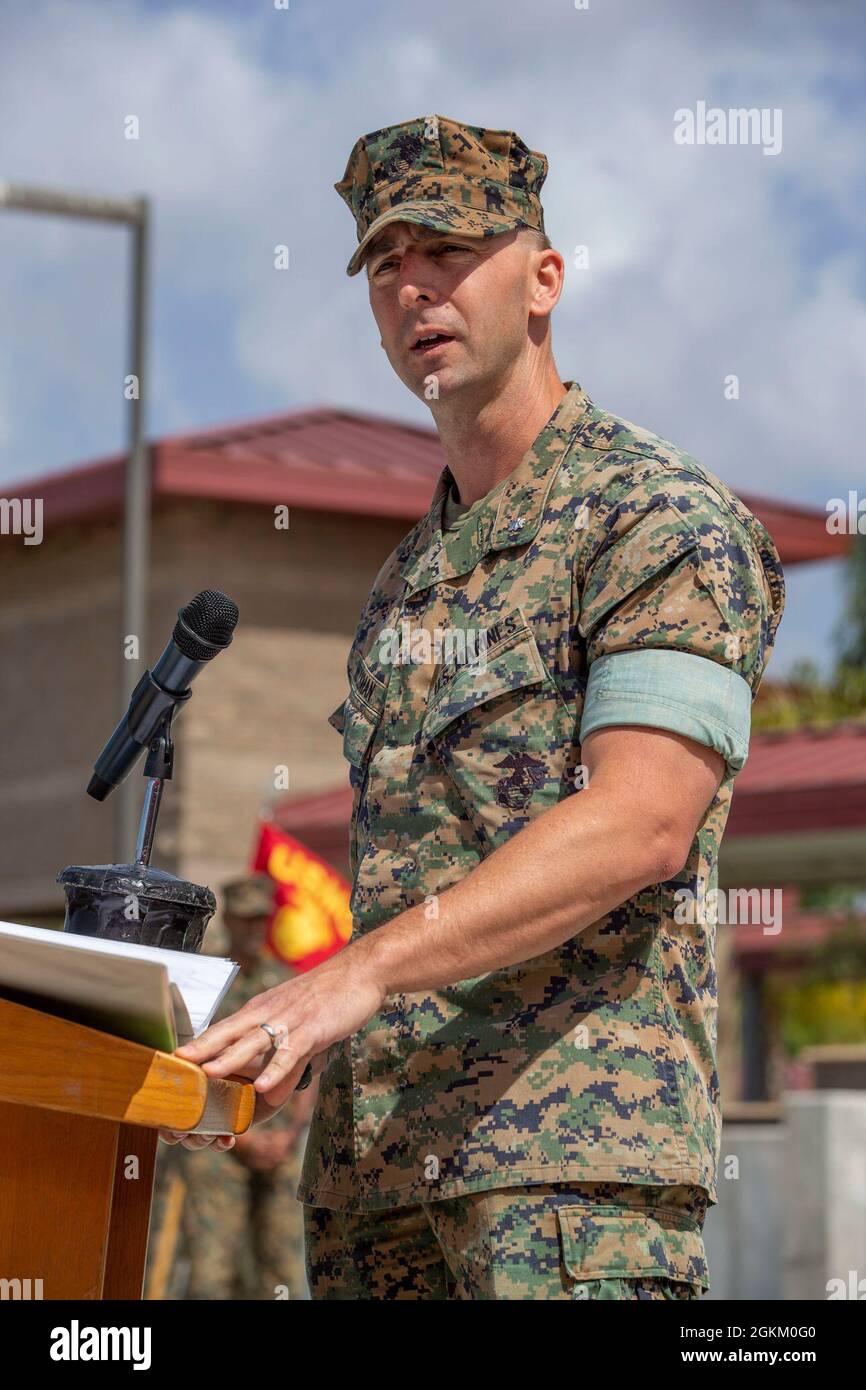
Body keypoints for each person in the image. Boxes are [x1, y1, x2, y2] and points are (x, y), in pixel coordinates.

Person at [165, 115, 785, 1300]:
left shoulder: (653, 521)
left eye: (447, 248)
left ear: (543, 277)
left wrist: (353, 975)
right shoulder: (411, 577)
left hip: (564, 1180)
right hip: (377, 1180)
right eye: (385, 259)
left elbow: (640, 822)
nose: (413, 284)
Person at [159, 875, 315, 1300]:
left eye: (260, 919)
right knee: (213, 1269)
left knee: (281, 1270)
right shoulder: (207, 983)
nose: (253, 929)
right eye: (245, 919)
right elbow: (189, 1059)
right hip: (217, 1140)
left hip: (280, 1143)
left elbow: (307, 1069)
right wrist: (243, 1140)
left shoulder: (288, 984)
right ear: (228, 919)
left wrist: (288, 1135)